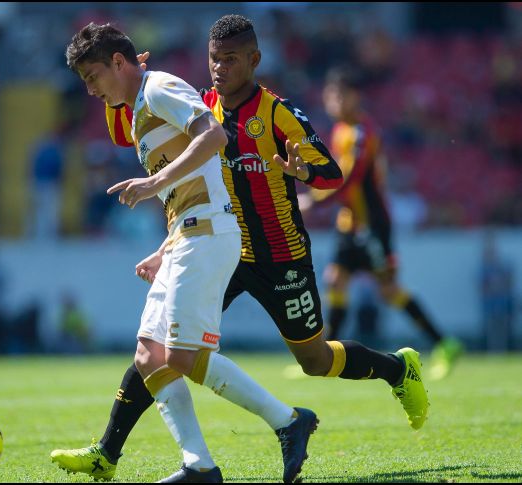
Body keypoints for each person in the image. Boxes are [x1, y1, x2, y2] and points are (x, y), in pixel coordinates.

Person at [51, 15, 428, 482]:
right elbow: (164, 155)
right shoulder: (199, 103)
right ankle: (112, 453)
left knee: (314, 360)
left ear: (254, 61)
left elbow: (331, 174)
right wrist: (167, 245)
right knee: (159, 346)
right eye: (213, 60)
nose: (218, 69)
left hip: (279, 252)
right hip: (222, 245)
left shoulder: (275, 113)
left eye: (229, 60)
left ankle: (396, 369)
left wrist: (300, 172)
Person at [56, 22, 318, 484]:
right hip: (187, 234)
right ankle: (198, 465)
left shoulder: (157, 88)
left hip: (210, 234)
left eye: (93, 75)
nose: (91, 89)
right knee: (148, 356)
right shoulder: (140, 109)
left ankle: (290, 421)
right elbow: (191, 184)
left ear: (119, 62)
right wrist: (165, 245)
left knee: (182, 356)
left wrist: (153, 183)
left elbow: (214, 136)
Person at [296, 66, 463, 381]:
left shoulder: (362, 133)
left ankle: (446, 343)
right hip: (350, 222)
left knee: (388, 290)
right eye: (329, 96)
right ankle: (325, 354)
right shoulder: (341, 130)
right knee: (335, 280)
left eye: (338, 96)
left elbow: (350, 180)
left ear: (354, 96)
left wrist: (314, 201)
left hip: (372, 224)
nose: (332, 102)